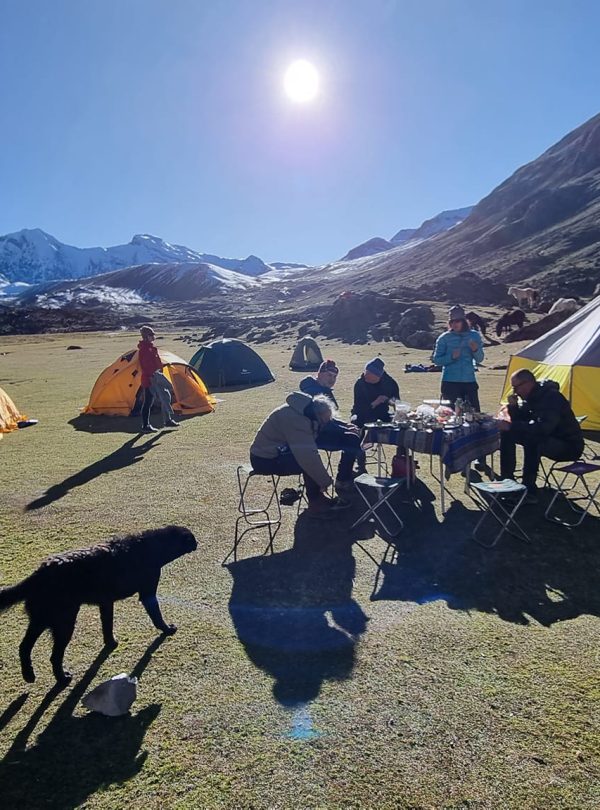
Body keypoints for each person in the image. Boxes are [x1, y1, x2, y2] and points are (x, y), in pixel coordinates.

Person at [498, 368, 584, 503]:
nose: (515, 392)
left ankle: (529, 491)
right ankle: (507, 480)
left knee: (533, 439)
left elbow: (543, 428)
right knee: (508, 433)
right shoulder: (532, 397)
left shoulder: (551, 398)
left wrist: (512, 425)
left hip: (569, 446)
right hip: (550, 439)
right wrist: (513, 408)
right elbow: (524, 420)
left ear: (527, 384)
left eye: (516, 388)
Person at [300, 359, 366, 494]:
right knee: (352, 438)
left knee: (354, 432)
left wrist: (346, 425)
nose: (332, 379)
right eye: (329, 375)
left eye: (334, 377)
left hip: (322, 429)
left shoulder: (323, 389)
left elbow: (329, 419)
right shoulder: (314, 392)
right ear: (319, 374)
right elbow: (324, 422)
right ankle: (343, 479)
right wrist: (345, 428)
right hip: (314, 434)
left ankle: (349, 472)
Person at [432, 305, 484, 410]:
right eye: (452, 322)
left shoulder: (474, 336)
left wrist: (475, 350)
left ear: (464, 321)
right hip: (450, 382)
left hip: (469, 381)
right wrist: (451, 357)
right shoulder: (444, 338)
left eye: (457, 321)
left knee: (473, 414)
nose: (454, 324)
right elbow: (437, 360)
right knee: (449, 414)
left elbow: (480, 359)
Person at [351, 358, 400, 428]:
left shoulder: (389, 383)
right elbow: (359, 408)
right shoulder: (360, 384)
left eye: (370, 376)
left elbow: (397, 403)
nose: (366, 377)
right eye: (366, 373)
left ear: (379, 377)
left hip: (382, 414)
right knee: (356, 421)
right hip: (362, 414)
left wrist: (388, 400)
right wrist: (376, 402)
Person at [137, 325, 164, 433]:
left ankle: (166, 420)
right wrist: (153, 375)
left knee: (152, 400)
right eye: (151, 335)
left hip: (155, 377)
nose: (154, 336)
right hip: (150, 379)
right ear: (146, 336)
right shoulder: (144, 349)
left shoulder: (150, 348)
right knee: (148, 402)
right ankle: (145, 425)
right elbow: (146, 365)